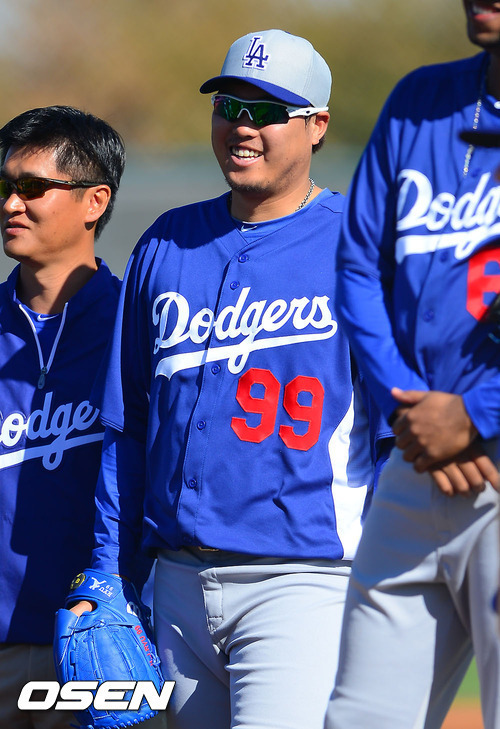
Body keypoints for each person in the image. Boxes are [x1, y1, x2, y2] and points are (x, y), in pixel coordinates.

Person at [74, 29, 388, 729]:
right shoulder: (166, 242)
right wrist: (109, 569)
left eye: (267, 110)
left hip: (303, 581)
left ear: (316, 126)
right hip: (176, 584)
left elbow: (402, 433)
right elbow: (129, 424)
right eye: (229, 107)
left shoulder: (361, 243)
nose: (242, 126)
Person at [325, 2, 500, 728]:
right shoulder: (420, 100)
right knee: (360, 717)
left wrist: (479, 414)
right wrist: (412, 406)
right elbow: (359, 267)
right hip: (418, 454)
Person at [0, 105, 125, 729]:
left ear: (94, 201)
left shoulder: (140, 327)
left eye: (32, 187)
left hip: (102, 639)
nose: (11, 204)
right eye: (5, 186)